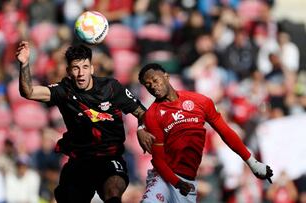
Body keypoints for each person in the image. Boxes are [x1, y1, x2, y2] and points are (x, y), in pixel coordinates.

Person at [16, 41, 153, 203]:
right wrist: (24, 64)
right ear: (68, 71)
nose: (81, 73)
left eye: (85, 67)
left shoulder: (111, 88)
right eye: (76, 68)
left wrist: (141, 127)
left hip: (110, 158)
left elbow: (142, 113)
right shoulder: (64, 91)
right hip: (80, 161)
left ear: (92, 68)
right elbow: (28, 92)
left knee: (113, 191)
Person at [138, 63, 274, 202]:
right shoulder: (152, 115)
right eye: (148, 85)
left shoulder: (200, 101)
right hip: (164, 178)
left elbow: (226, 132)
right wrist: (177, 182)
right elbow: (159, 161)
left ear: (166, 76)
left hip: (187, 181)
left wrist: (252, 163)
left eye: (155, 80)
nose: (153, 86)